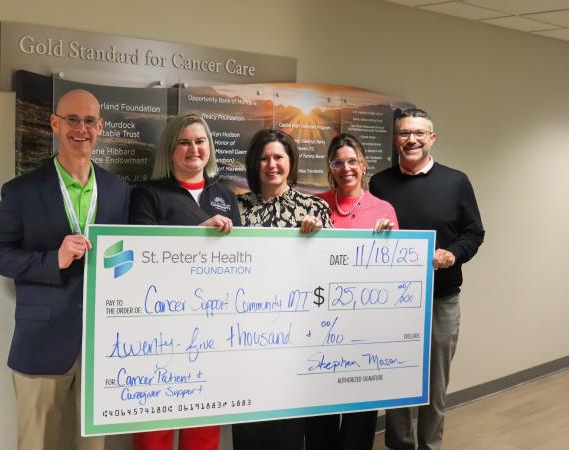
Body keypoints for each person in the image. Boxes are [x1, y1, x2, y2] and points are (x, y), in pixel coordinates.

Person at [0, 89, 130, 450]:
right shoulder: (22, 191)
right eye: (72, 120)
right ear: (55, 123)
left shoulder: (118, 190)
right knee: (38, 444)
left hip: (101, 345)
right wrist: (54, 260)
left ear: (101, 127)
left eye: (90, 121)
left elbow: (127, 255)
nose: (82, 129)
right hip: (42, 343)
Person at [369, 108, 484, 450]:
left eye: (419, 133)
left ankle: (430, 445)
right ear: (395, 139)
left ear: (432, 138)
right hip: (392, 304)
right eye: (404, 133)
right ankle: (400, 444)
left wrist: (454, 254)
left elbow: (474, 232)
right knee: (396, 381)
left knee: (435, 386)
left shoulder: (456, 181)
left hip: (440, 299)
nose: (412, 140)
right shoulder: (379, 183)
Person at [128, 113, 240, 450]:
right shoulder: (147, 195)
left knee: (203, 429)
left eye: (200, 140)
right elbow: (140, 255)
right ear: (171, 149)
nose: (194, 148)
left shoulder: (226, 196)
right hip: (159, 330)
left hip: (210, 329)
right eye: (185, 141)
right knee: (154, 431)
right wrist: (196, 233)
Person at [231, 129, 331, 450]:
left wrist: (318, 240)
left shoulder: (314, 210)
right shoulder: (236, 208)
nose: (271, 164)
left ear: (291, 161)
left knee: (287, 431)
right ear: (253, 163)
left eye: (278, 157)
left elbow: (329, 273)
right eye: (264, 158)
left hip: (295, 340)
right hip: (245, 337)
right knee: (248, 430)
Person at [305, 133, 398, 450]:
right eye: (338, 162)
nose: (346, 168)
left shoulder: (383, 209)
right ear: (330, 167)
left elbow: (395, 272)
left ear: (364, 164)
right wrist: (304, 233)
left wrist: (388, 242)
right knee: (320, 416)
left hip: (364, 329)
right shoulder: (314, 205)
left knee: (360, 415)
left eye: (352, 161)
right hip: (320, 326)